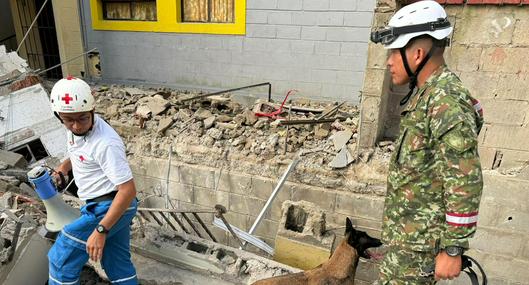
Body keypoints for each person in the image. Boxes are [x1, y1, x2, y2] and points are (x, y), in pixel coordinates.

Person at [370, 1, 484, 284]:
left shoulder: (444, 100)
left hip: (419, 250)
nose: (389, 61)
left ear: (418, 54)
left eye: (395, 52)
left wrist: (453, 248)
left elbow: (465, 178)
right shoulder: (426, 95)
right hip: (406, 242)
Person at [47, 76, 138, 285]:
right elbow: (80, 150)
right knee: (117, 264)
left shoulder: (106, 144)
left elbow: (128, 190)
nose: (77, 126)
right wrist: (64, 167)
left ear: (92, 111)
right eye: (69, 120)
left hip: (109, 206)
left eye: (82, 119)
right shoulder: (75, 130)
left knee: (61, 260)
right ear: (59, 116)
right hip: (110, 206)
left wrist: (101, 229)